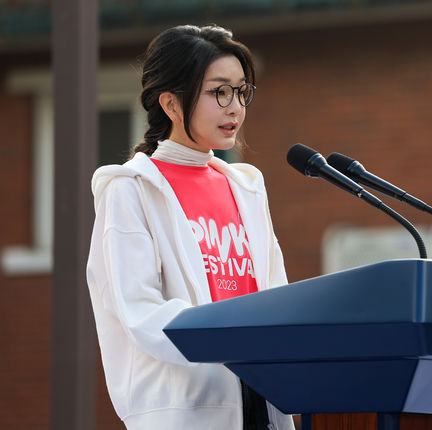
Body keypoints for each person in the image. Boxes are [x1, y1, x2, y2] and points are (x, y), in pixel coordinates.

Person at [86, 24, 294, 429]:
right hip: (188, 412)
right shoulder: (130, 190)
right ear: (171, 103)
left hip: (263, 402)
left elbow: (277, 297)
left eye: (241, 91)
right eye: (219, 91)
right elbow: (140, 310)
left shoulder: (246, 187)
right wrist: (235, 337)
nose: (235, 107)